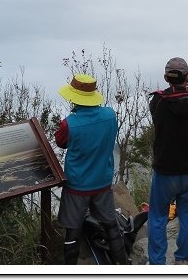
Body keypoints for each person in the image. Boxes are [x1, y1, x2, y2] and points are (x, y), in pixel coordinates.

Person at [54, 74, 128, 265]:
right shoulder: (110, 115)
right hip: (102, 180)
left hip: (77, 185)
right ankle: (123, 262)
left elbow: (60, 142)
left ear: (74, 96)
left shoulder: (69, 123)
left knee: (73, 228)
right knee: (110, 222)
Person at [147, 57, 188, 265]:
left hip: (165, 169)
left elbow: (158, 120)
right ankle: (182, 258)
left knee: (158, 217)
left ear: (166, 78)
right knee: (187, 215)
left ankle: (157, 263)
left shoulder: (158, 101)